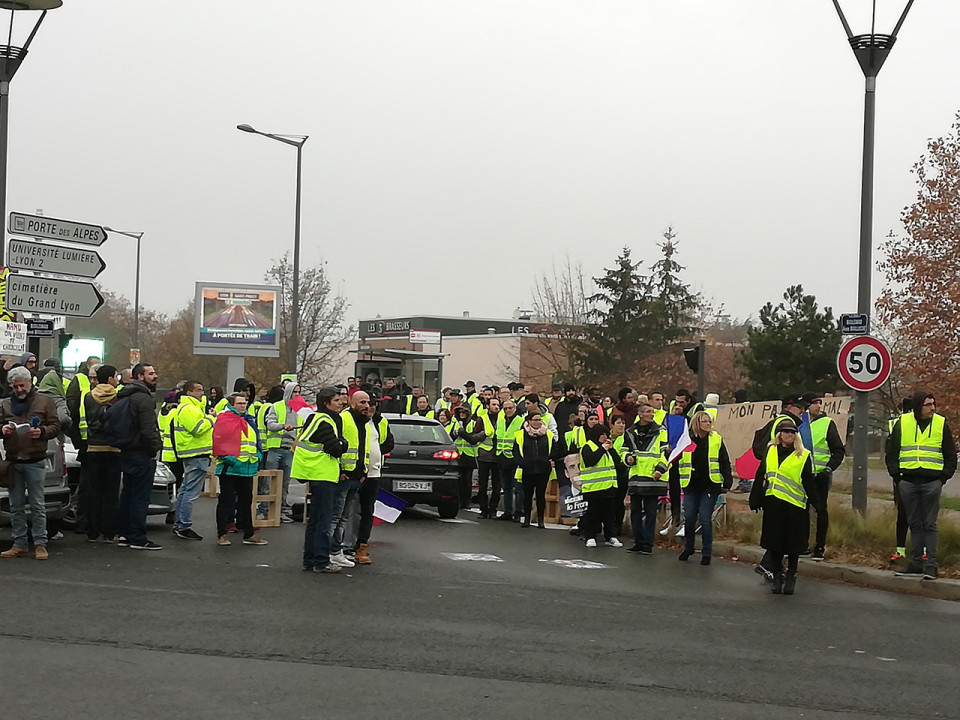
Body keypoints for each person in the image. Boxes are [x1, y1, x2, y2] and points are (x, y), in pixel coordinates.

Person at [886, 391, 957, 580]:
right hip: (908, 481)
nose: (933, 408)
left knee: (929, 524)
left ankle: (931, 565)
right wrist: (897, 477)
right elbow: (891, 452)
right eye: (928, 404)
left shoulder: (940, 423)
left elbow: (951, 454)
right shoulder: (903, 422)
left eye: (933, 404)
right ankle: (916, 563)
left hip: (931, 482)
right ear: (918, 406)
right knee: (914, 524)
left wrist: (943, 478)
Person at [750, 421, 821, 594]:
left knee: (793, 545)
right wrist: (755, 499)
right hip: (773, 504)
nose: (789, 434)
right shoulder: (770, 450)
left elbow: (809, 482)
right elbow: (761, 475)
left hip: (795, 507)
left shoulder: (803, 455)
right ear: (779, 434)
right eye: (785, 431)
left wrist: (818, 504)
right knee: (774, 544)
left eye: (792, 432)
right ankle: (777, 576)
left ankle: (790, 577)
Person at [0, 367, 61, 560]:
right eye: (15, 386)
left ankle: (40, 544)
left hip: (35, 459)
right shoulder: (6, 404)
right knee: (16, 505)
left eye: (21, 385)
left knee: (37, 504)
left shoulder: (44, 401)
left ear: (30, 383)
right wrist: (3, 429)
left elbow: (55, 425)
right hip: (13, 460)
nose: (18, 390)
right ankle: (19, 543)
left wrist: (41, 432)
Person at [295, 387, 348, 574]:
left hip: (313, 473)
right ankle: (321, 561)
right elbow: (336, 448)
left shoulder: (314, 418)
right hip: (323, 473)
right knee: (324, 520)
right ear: (326, 403)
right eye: (336, 400)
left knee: (315, 520)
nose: (341, 402)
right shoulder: (326, 421)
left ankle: (309, 560)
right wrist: (343, 443)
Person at [116, 363, 164, 551]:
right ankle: (137, 537)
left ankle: (125, 534)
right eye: (151, 373)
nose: (156, 376)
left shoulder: (125, 395)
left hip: (126, 450)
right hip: (141, 453)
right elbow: (148, 429)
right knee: (140, 496)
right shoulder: (143, 399)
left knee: (128, 494)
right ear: (140, 377)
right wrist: (154, 449)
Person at [677, 411, 732, 565]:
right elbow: (676, 459)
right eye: (704, 421)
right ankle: (689, 547)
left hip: (710, 485)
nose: (708, 424)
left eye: (709, 421)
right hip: (690, 484)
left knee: (705, 519)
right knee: (689, 519)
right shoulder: (686, 439)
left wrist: (727, 482)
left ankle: (706, 553)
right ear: (697, 423)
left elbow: (724, 461)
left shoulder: (716, 439)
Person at [213, 393, 267, 547]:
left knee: (246, 501)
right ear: (231, 404)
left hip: (247, 467)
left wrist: (258, 454)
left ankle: (248, 533)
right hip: (230, 468)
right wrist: (231, 459)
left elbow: (254, 440)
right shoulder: (225, 419)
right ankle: (222, 534)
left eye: (244, 403)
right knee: (226, 502)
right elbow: (219, 441)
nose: (243, 406)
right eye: (239, 403)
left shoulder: (248, 420)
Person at [800, 392, 846, 560]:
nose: (819, 406)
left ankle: (819, 546)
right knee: (801, 511)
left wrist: (828, 469)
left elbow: (839, 451)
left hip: (820, 475)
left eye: (820, 403)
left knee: (820, 511)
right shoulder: (798, 424)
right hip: (801, 475)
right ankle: (802, 545)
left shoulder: (827, 423)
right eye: (815, 403)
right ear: (806, 406)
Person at [172, 380, 215, 541]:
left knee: (185, 490)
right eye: (198, 390)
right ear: (189, 392)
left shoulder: (192, 408)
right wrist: (211, 419)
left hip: (195, 454)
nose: (202, 393)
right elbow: (198, 429)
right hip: (196, 455)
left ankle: (180, 524)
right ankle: (183, 525)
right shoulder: (189, 409)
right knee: (190, 492)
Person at [82, 364, 121, 543]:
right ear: (111, 378)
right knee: (111, 492)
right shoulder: (118, 396)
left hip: (93, 447)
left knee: (94, 490)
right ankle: (109, 531)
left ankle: (92, 530)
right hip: (113, 448)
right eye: (116, 376)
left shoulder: (89, 396)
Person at [623, 403, 668, 554]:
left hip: (652, 477)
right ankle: (638, 542)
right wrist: (627, 457)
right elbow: (624, 450)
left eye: (653, 412)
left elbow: (667, 453)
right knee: (635, 512)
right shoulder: (630, 431)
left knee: (650, 513)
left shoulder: (661, 431)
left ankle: (648, 544)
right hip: (636, 477)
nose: (652, 414)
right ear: (640, 414)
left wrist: (660, 469)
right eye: (648, 412)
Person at [263, 381, 303, 523]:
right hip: (275, 449)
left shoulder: (299, 410)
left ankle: (281, 511)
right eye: (294, 392)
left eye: (299, 392)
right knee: (270, 482)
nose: (297, 395)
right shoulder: (277, 406)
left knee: (284, 483)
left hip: (290, 450)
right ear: (288, 392)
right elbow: (270, 424)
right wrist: (282, 426)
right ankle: (265, 510)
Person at [579, 423, 622, 548]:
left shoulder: (608, 449)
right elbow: (590, 461)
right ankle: (590, 536)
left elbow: (617, 462)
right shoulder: (588, 447)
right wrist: (603, 449)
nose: (604, 437)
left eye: (606, 434)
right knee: (593, 514)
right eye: (602, 434)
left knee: (609, 515)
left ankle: (610, 536)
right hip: (593, 488)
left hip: (609, 487)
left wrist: (611, 449)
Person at [513, 411, 554, 528]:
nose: (538, 422)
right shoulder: (520, 434)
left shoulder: (548, 434)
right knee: (527, 495)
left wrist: (549, 460)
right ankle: (526, 518)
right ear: (528, 421)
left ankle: (541, 520)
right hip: (527, 469)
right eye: (535, 420)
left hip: (543, 469)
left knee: (541, 495)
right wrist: (522, 463)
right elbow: (515, 452)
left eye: (539, 420)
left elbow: (555, 448)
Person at [886, 397, 913, 560]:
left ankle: (902, 549)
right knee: (911, 515)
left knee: (903, 514)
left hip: (905, 476)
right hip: (905, 476)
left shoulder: (895, 423)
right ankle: (916, 550)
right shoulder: (898, 424)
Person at [449, 405, 485, 512]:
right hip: (458, 455)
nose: (461, 414)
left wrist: (462, 433)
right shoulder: (455, 423)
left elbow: (472, 439)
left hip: (469, 455)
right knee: (459, 480)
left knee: (467, 480)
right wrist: (455, 433)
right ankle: (459, 501)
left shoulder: (474, 423)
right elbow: (451, 437)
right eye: (460, 412)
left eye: (464, 412)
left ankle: (466, 501)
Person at [475, 397, 500, 518]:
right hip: (484, 455)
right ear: (488, 406)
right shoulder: (482, 419)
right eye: (493, 404)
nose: (496, 407)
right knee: (483, 484)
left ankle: (493, 509)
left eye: (498, 405)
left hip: (498, 456)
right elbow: (475, 434)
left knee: (497, 486)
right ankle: (483, 509)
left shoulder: (503, 419)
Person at [608, 415, 630, 535]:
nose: (621, 425)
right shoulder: (606, 437)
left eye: (623, 423)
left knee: (618, 501)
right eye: (618, 423)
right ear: (612, 425)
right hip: (606, 473)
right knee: (608, 502)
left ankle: (617, 527)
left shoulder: (626, 437)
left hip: (621, 473)